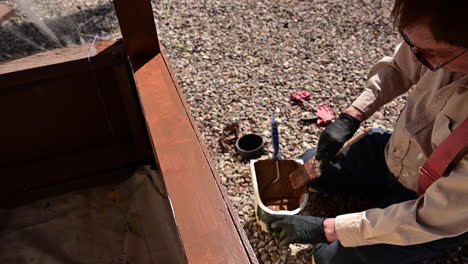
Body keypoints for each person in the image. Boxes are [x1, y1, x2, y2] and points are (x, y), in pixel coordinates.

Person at [269, 0, 468, 263]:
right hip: (397, 155)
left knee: (329, 258)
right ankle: (382, 203)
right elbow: (399, 67)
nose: (419, 58)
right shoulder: (434, 43)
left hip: (436, 206)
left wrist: (327, 228)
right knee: (308, 167)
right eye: (412, 46)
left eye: (432, 54)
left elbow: (431, 215)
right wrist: (352, 116)